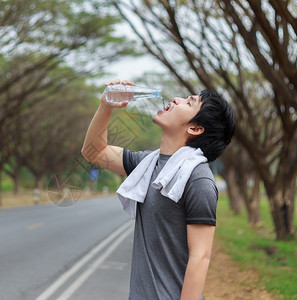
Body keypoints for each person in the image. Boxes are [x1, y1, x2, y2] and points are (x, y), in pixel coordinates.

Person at [81, 79, 235, 300]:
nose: (176, 99)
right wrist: (106, 106)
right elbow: (93, 152)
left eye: (189, 102)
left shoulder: (197, 179)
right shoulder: (148, 165)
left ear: (195, 128)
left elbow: (200, 257)